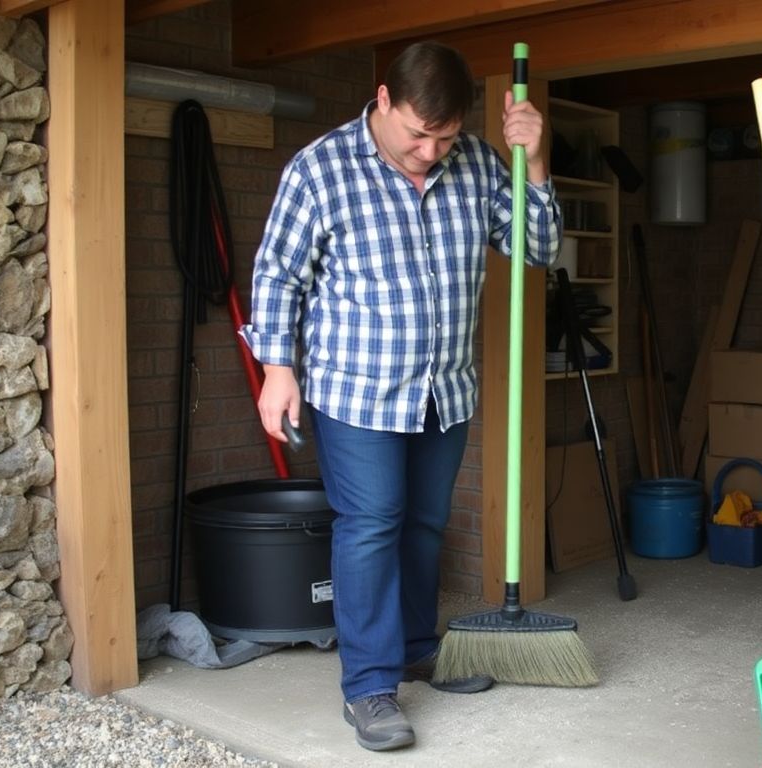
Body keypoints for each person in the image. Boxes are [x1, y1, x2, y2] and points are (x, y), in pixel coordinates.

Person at [240, 41, 560, 752]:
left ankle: (417, 646)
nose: (429, 152)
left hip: (444, 389)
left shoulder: (476, 161)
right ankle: (370, 688)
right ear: (383, 101)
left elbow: (537, 249)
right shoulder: (321, 169)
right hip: (356, 390)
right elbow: (278, 275)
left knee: (423, 524)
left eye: (444, 137)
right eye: (418, 134)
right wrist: (279, 369)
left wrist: (533, 163)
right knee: (373, 522)